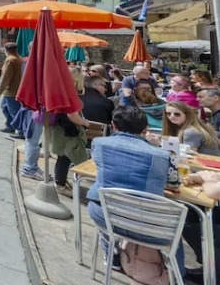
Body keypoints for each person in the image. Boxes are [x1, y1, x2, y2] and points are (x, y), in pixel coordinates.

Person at [87, 106, 185, 277]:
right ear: (145, 129)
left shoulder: (99, 143)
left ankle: (112, 256)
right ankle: (178, 275)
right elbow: (174, 183)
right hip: (149, 225)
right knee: (176, 228)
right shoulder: (162, 155)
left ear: (113, 125)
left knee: (101, 203)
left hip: (105, 215)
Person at [50, 67, 93, 195]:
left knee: (63, 157)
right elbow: (72, 116)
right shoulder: (70, 93)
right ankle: (60, 184)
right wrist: (85, 123)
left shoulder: (59, 89)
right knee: (66, 157)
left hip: (59, 129)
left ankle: (60, 181)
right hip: (68, 130)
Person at [153, 101, 220, 156]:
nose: (172, 116)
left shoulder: (191, 131)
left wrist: (160, 143)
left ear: (187, 115)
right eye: (168, 114)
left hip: (207, 166)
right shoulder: (179, 128)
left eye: (177, 114)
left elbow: (188, 156)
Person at [0, 42, 22, 135]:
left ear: (6, 50)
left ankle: (21, 131)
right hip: (16, 89)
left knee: (13, 110)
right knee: (5, 107)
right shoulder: (19, 58)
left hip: (11, 90)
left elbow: (6, 78)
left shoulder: (10, 60)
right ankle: (10, 126)